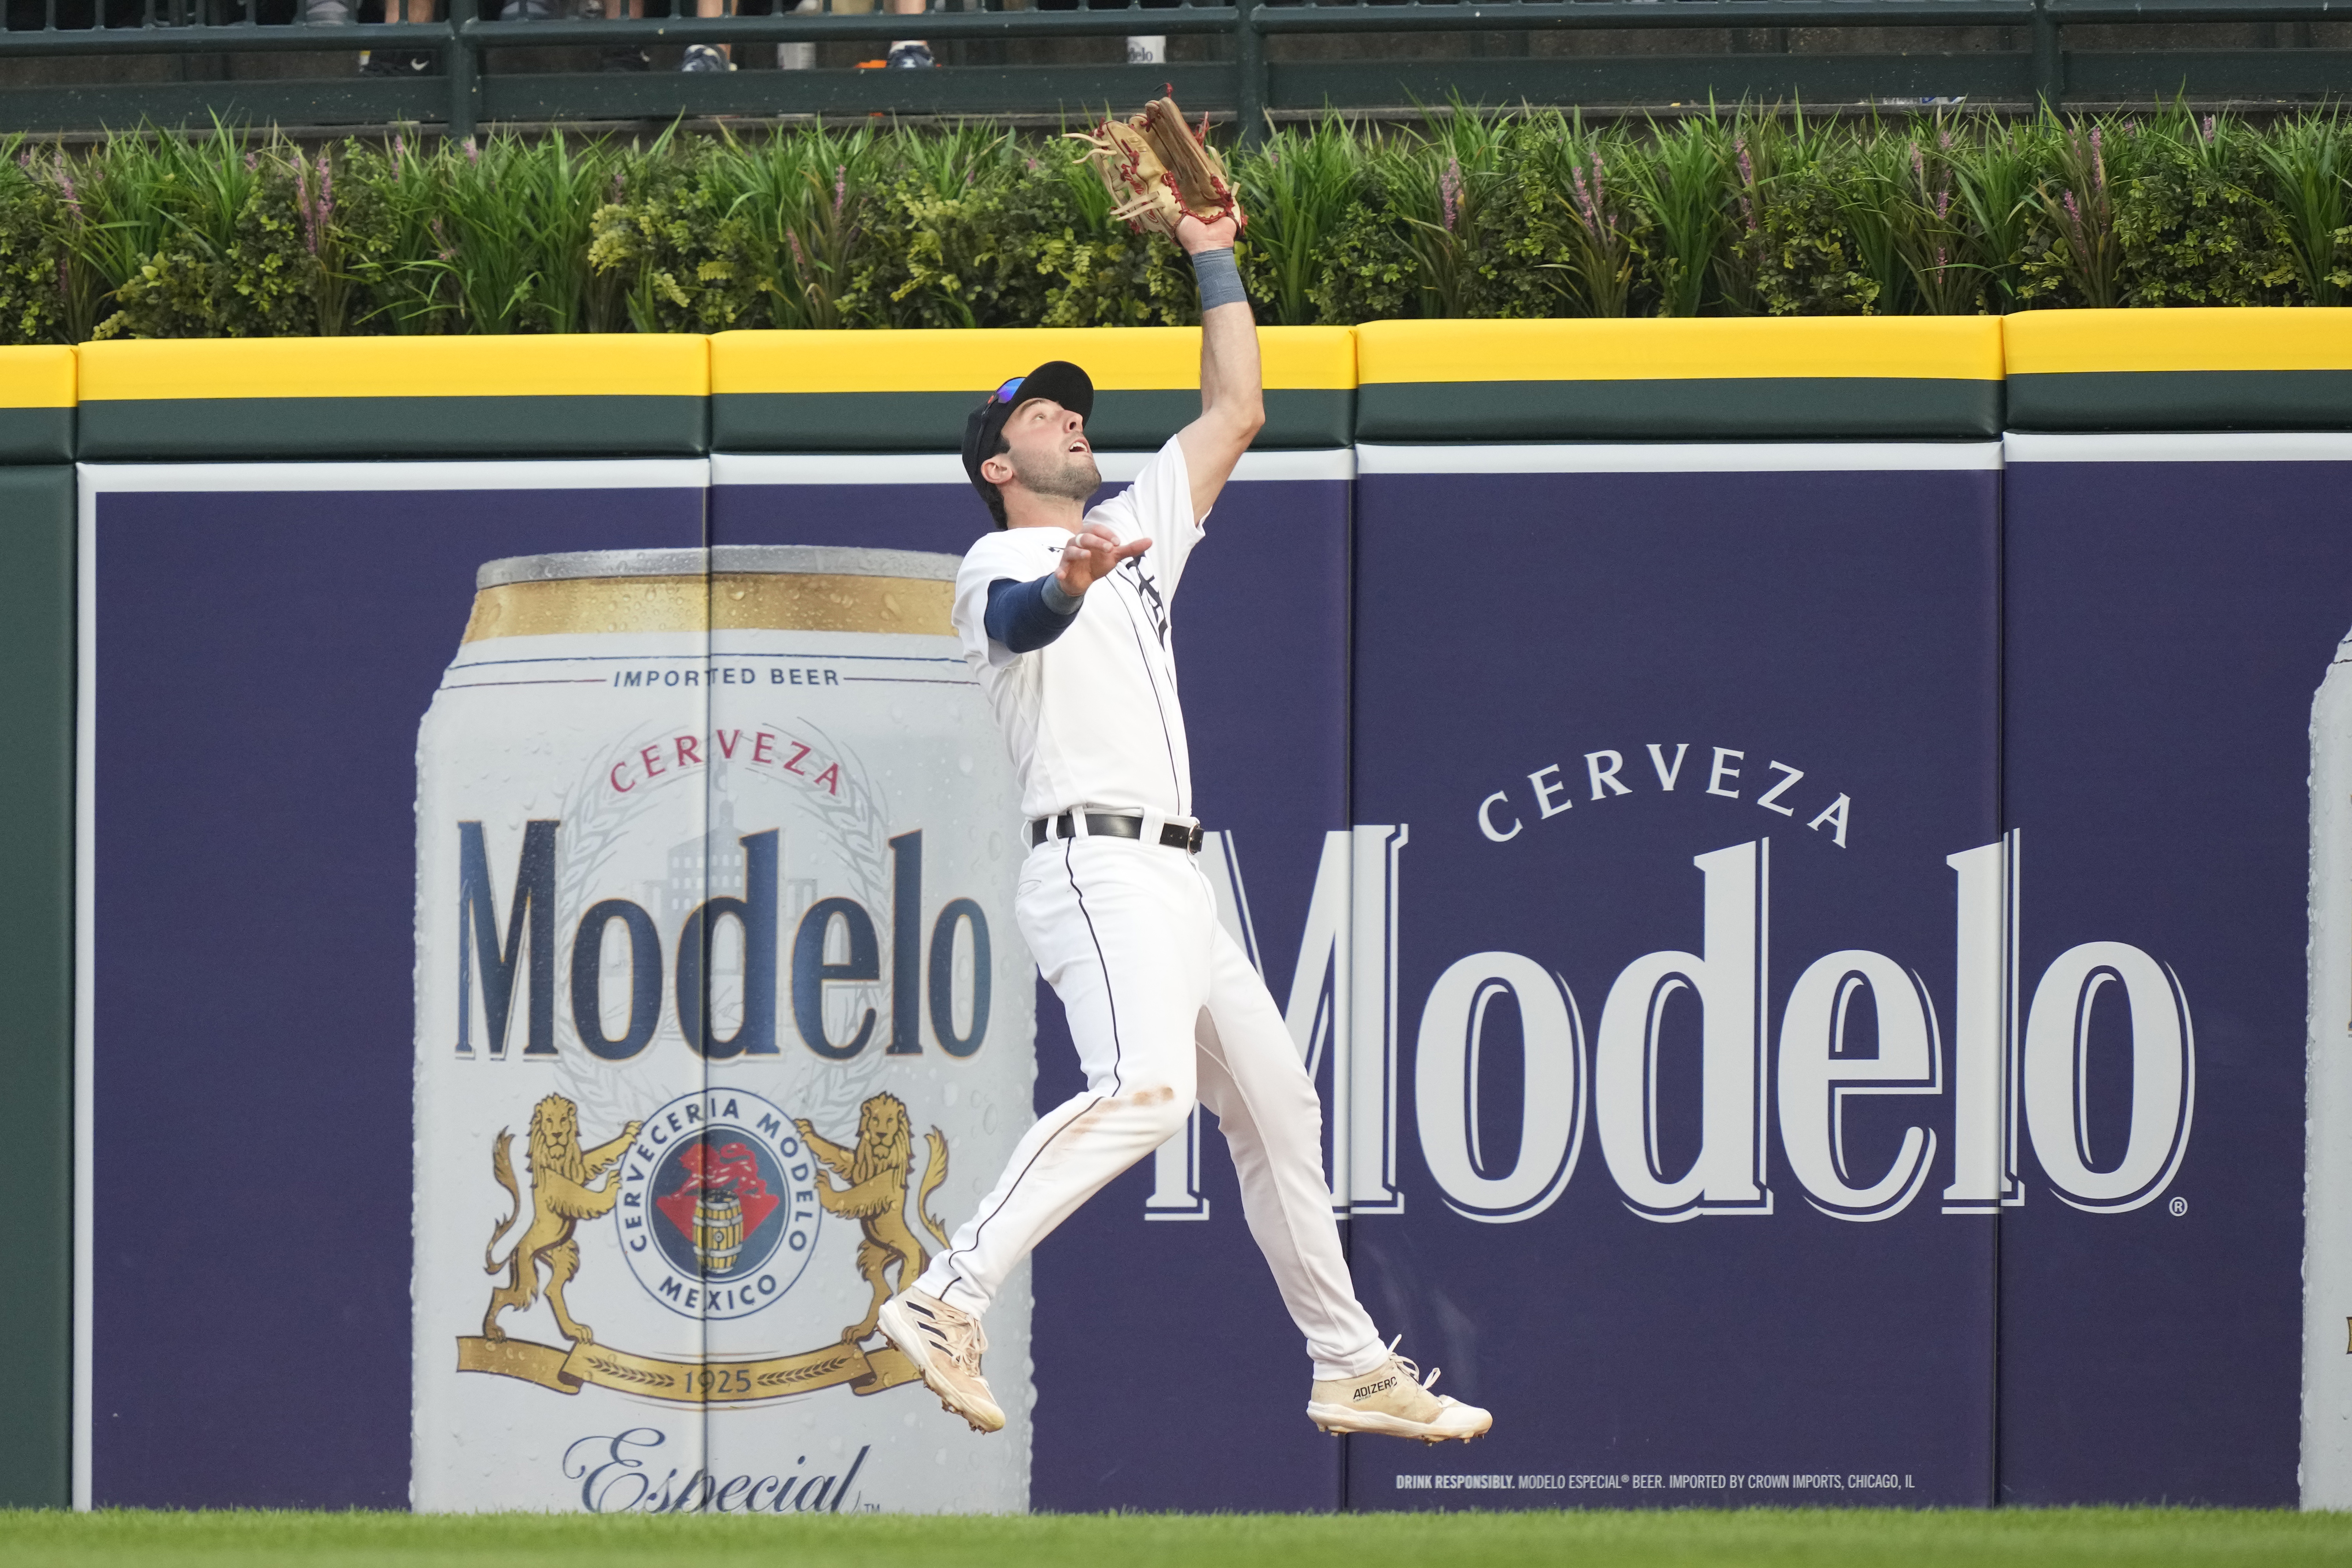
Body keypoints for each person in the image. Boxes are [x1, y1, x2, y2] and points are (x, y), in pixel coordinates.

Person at [874, 199, 1493, 1448]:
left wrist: (1210, 247)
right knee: (1148, 1092)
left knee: (1277, 1111)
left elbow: (1237, 410)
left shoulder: (1139, 530)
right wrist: (1066, 579)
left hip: (1179, 884)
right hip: (1094, 865)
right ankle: (947, 1295)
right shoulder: (995, 566)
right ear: (999, 464)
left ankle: (1351, 1363)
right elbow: (1019, 628)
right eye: (1038, 412)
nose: (1066, 416)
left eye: (1068, 406)